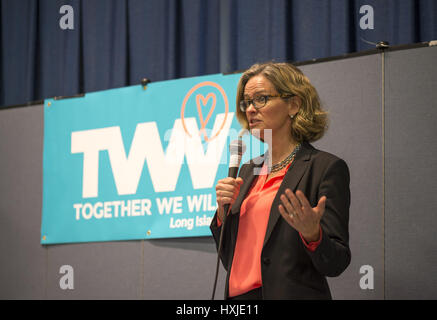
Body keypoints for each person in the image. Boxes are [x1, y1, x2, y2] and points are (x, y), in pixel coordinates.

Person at [210, 62, 351, 300]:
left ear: (293, 105)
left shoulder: (324, 168)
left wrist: (313, 234)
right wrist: (222, 214)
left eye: (261, 99)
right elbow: (229, 261)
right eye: (247, 102)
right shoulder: (247, 170)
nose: (251, 109)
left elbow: (336, 263)